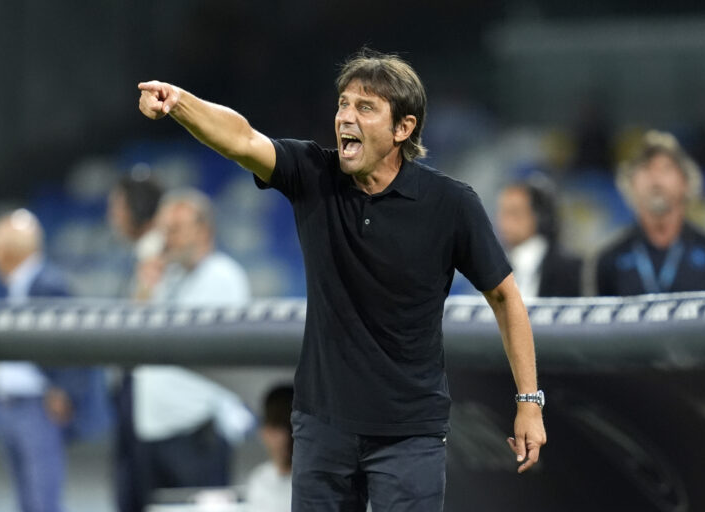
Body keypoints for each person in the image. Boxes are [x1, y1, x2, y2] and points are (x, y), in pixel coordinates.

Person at [138, 49, 546, 512]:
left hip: (409, 434)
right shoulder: (313, 174)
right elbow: (242, 139)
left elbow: (505, 297)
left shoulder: (450, 204)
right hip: (323, 428)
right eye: (343, 104)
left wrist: (529, 403)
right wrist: (180, 103)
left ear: (403, 128)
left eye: (365, 108)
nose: (346, 117)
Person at [127, 188, 254, 511]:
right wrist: (144, 286)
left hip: (198, 433)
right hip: (152, 430)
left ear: (204, 230)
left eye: (176, 229)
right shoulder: (162, 278)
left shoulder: (223, 277)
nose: (167, 239)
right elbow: (131, 339)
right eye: (163, 230)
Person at [0, 209, 109, 512]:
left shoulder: (48, 282)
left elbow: (74, 341)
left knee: (42, 497)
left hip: (38, 404)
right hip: (12, 403)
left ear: (5, 249)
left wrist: (64, 390)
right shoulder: (18, 284)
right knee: (28, 497)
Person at [587, 130, 705, 296]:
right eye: (646, 168)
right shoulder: (609, 259)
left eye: (666, 169)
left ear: (686, 182)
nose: (656, 179)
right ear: (630, 184)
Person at [106, 172, 164, 512]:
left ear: (136, 210)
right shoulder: (141, 253)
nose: (112, 215)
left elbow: (142, 313)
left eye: (117, 206)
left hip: (147, 386)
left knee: (139, 489)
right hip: (134, 384)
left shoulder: (155, 254)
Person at [497, 176, 582, 297]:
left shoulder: (571, 269)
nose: (504, 221)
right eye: (502, 212)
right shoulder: (495, 267)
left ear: (540, 216)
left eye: (514, 212)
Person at [244, 385, 294, 512]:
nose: (284, 437)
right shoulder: (260, 479)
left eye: (287, 427)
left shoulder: (315, 483)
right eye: (276, 425)